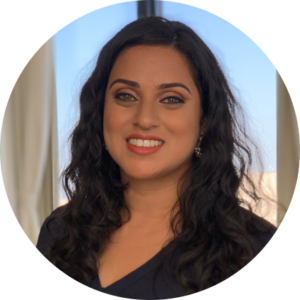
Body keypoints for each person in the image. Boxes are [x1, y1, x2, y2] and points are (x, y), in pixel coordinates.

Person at [35, 16, 287, 299]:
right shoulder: (59, 234)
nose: (144, 119)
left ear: (204, 120)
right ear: (100, 110)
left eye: (171, 99)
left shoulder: (262, 251)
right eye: (126, 96)